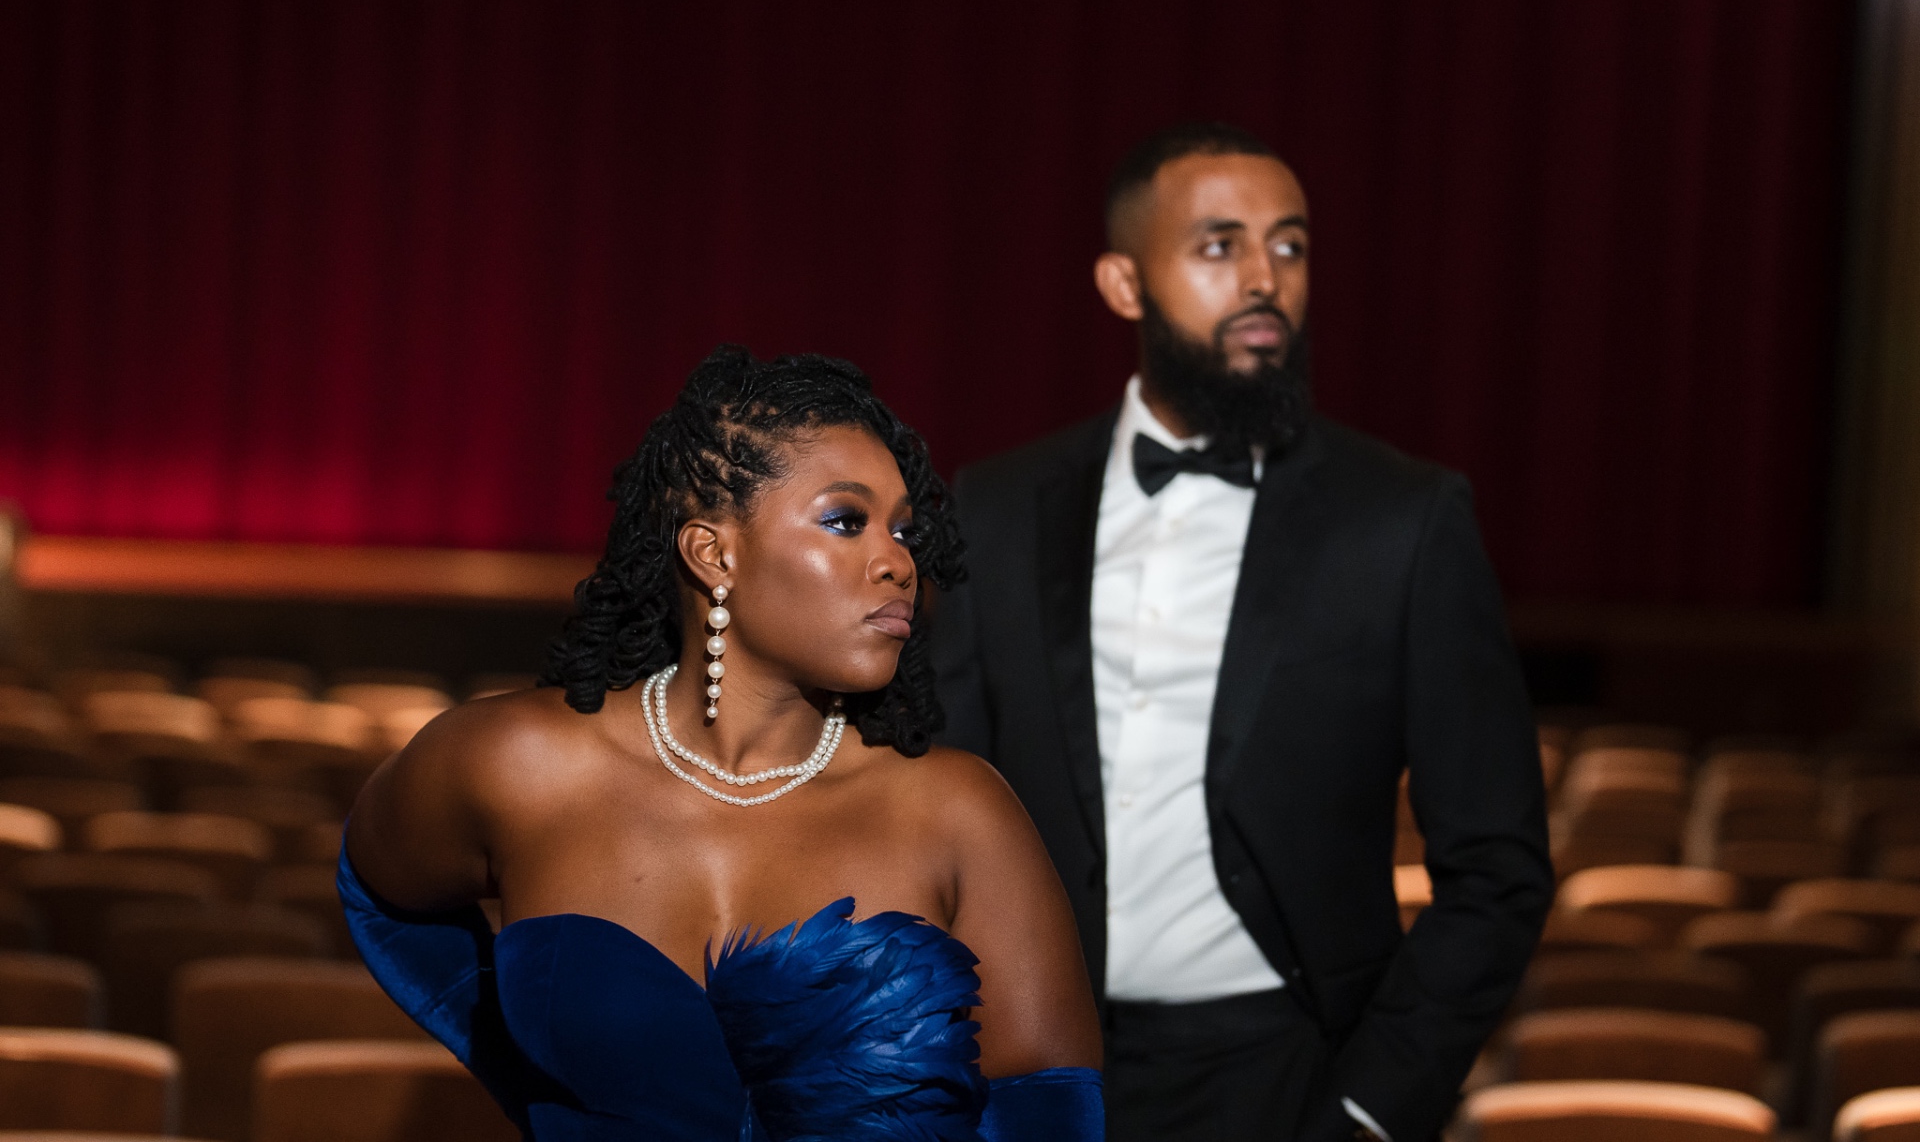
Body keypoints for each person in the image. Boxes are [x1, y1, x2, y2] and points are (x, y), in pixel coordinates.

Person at [932, 123, 1553, 1142]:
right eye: (1220, 246)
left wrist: (1369, 1108)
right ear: (1124, 284)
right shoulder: (996, 508)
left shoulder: (1405, 519)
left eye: (1291, 245)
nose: (1265, 277)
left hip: (1290, 1078)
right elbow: (935, 813)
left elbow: (1498, 865)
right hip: (1027, 1074)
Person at [341, 347, 1104, 1141]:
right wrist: (533, 1078)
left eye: (904, 530)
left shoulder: (960, 812)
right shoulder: (520, 762)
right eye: (847, 520)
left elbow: (1050, 1117)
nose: (897, 561)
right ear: (714, 552)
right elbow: (377, 887)